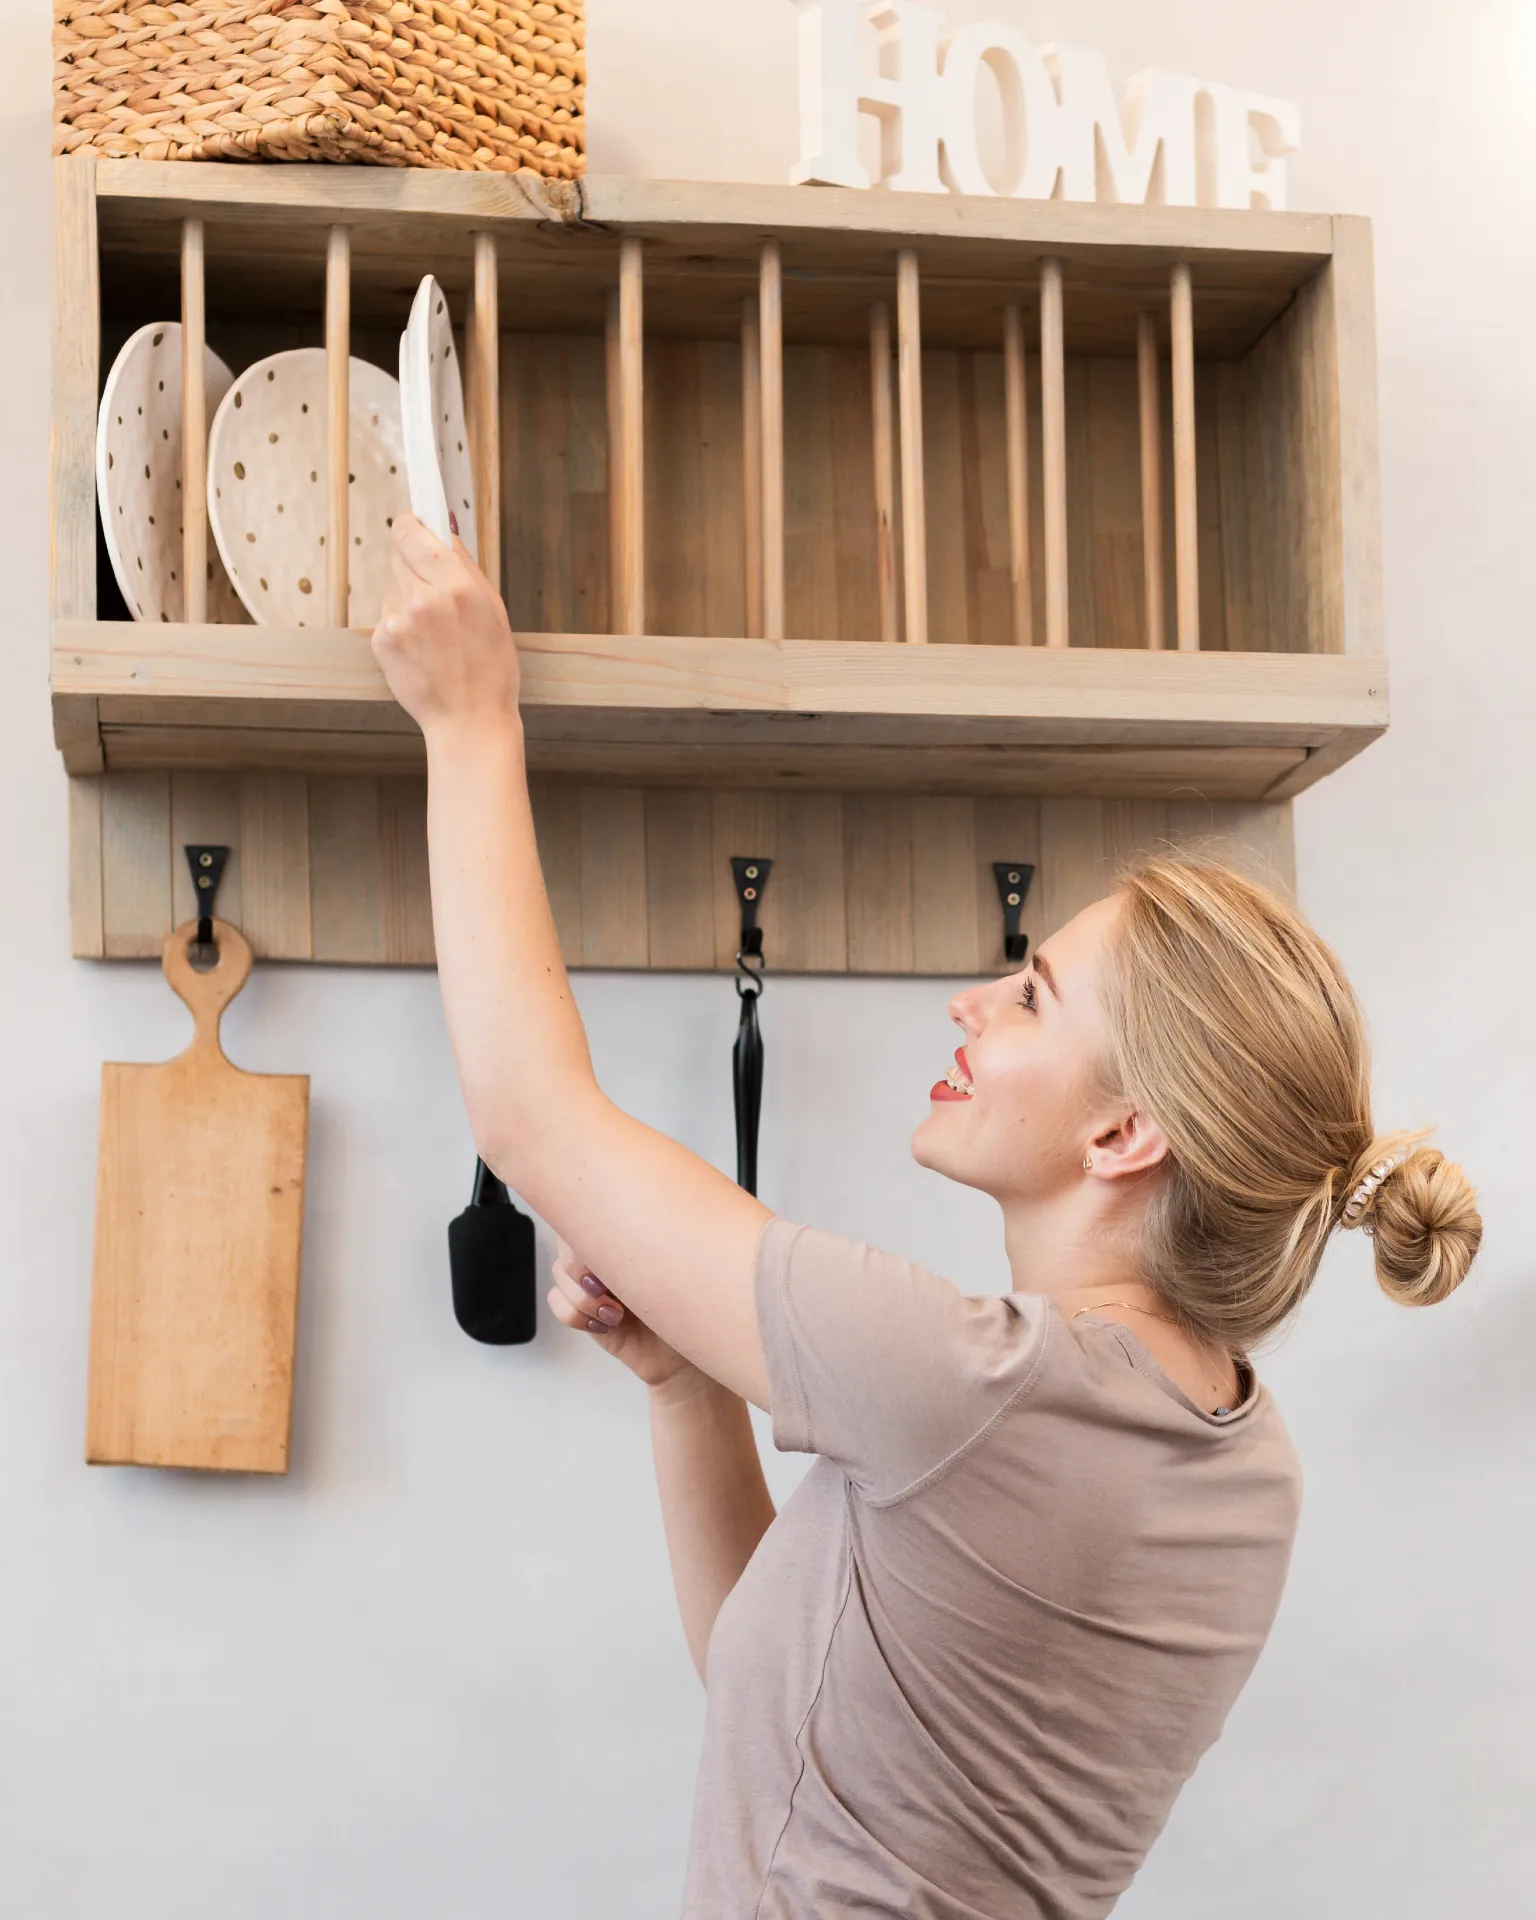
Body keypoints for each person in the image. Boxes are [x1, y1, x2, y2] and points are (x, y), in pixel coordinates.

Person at [371, 515, 1482, 1920]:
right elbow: (790, 1708)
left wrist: (471, 720)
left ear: (1125, 1134)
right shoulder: (1247, 1460)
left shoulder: (967, 1385)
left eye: (1030, 995)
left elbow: (530, 1116)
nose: (974, 1002)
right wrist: (683, 1392)